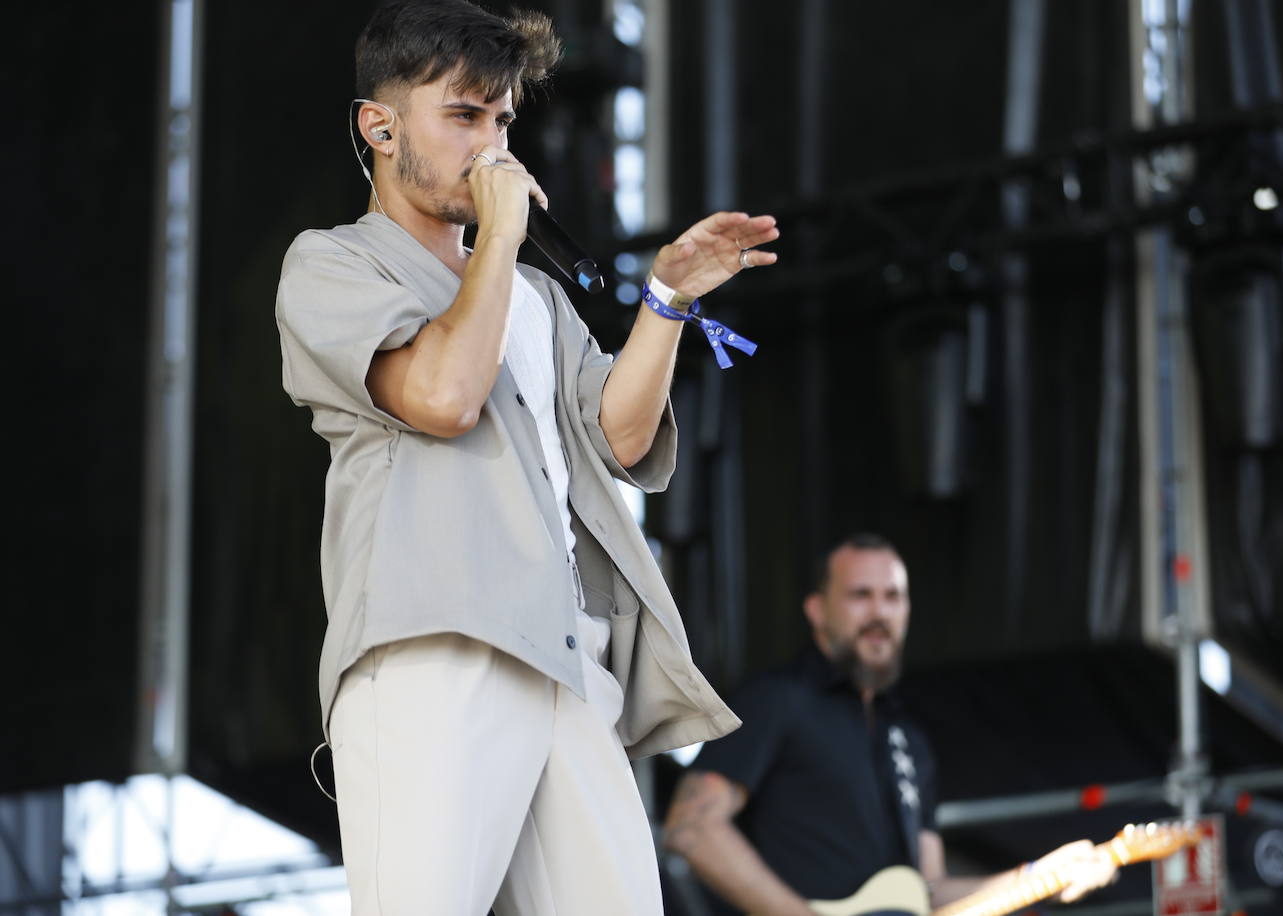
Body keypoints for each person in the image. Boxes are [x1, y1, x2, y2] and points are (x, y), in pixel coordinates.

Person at [274, 2, 778, 913]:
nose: (494, 145)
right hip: (435, 646)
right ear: (379, 127)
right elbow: (441, 397)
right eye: (464, 117)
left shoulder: (536, 297)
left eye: (502, 120)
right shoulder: (333, 263)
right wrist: (497, 236)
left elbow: (618, 440)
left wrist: (663, 299)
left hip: (567, 661)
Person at [664, 534, 1118, 915]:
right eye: (861, 595)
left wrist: (1041, 876)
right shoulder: (779, 699)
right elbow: (693, 827)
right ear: (818, 610)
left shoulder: (908, 740)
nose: (879, 613)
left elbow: (931, 892)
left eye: (893, 597)